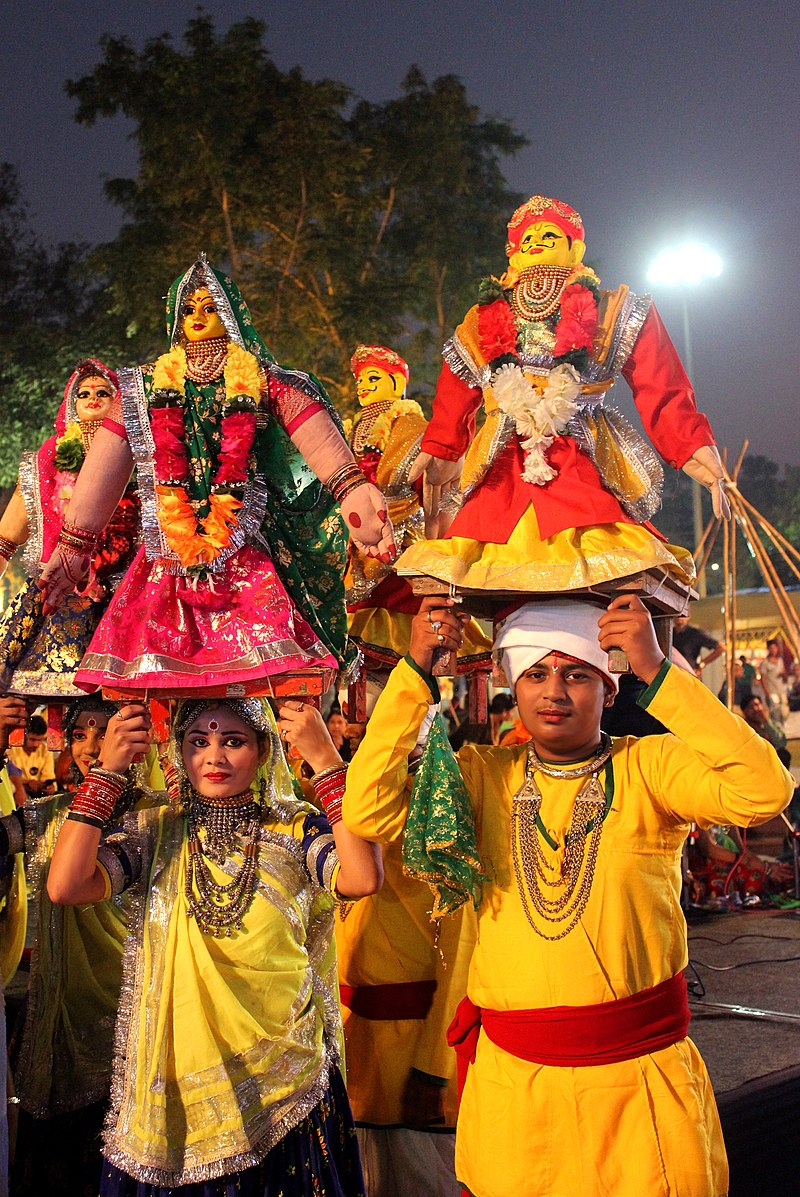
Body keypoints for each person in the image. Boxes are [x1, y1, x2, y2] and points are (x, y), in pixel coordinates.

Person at [343, 594, 793, 1197]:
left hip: (638, 1094)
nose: (554, 691)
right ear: (511, 682)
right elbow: (368, 809)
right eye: (535, 673)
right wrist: (417, 670)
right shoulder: (479, 775)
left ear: (609, 688)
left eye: (576, 673)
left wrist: (658, 671)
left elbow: (763, 790)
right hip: (517, 1100)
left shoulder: (651, 769)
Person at [47, 694, 382, 1194]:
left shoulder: (292, 826)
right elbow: (66, 886)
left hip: (282, 1077)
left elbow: (360, 877)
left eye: (234, 741)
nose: (215, 757)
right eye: (198, 742)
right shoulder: (155, 829)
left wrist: (328, 762)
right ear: (179, 752)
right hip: (181, 1074)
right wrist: (109, 771)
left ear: (265, 750)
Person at [38, 257, 394, 693]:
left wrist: (351, 488)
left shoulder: (260, 380)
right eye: (188, 309)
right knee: (149, 696)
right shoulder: (143, 387)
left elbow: (311, 428)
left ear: (231, 314)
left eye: (210, 307)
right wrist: (76, 543)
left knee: (284, 690)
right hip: (167, 558)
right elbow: (108, 459)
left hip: (247, 550)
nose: (199, 318)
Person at [398, 194, 728, 598]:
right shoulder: (480, 318)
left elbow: (661, 387)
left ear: (577, 249)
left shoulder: (610, 310)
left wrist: (693, 447)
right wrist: (441, 447)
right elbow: (455, 390)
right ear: (513, 254)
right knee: (475, 578)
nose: (536, 241)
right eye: (527, 237)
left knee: (611, 568)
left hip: (582, 458)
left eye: (549, 234)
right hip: (503, 469)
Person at [280, 692, 472, 1197]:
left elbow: (464, 947)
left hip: (413, 1050)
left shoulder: (437, 810)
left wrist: (437, 1064)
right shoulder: (331, 804)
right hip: (349, 1041)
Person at [3, 695, 161, 1197]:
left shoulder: (163, 822)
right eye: (80, 735)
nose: (92, 747)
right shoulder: (49, 819)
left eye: (107, 731)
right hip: (63, 1028)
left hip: (142, 1029)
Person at [0, 359, 139, 698]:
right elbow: (6, 537)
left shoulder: (140, 455)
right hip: (55, 590)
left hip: (125, 594)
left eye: (103, 392)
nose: (92, 398)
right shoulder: (47, 459)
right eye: (83, 393)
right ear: (71, 403)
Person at [8, 714, 55, 798]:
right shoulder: (11, 749)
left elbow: (48, 778)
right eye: (32, 739)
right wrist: (26, 785)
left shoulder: (45, 751)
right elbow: (8, 781)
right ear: (24, 735)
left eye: (39, 740)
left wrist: (49, 788)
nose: (36, 744)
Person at [759, 638, 789, 728]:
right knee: (775, 713)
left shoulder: (780, 661)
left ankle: (783, 729)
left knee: (784, 712)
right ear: (768, 649)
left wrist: (784, 674)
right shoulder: (765, 663)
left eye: (775, 648)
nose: (773, 650)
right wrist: (767, 693)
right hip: (772, 692)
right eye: (771, 648)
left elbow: (785, 677)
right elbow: (763, 679)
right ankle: (778, 731)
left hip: (782, 690)